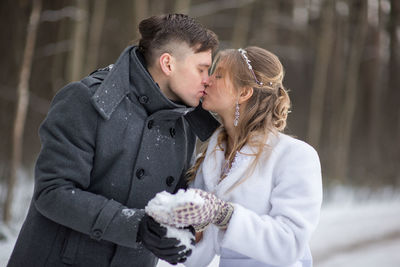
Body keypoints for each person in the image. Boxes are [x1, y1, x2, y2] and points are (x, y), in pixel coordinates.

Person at [7, 14, 219, 267]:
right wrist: (135, 225)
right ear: (168, 64)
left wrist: (178, 231)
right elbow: (53, 192)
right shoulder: (85, 100)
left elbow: (175, 202)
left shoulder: (186, 121)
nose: (208, 79)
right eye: (202, 69)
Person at [149, 46, 323, 267]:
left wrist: (224, 215)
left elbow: (288, 244)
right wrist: (174, 228)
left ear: (244, 93)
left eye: (218, 74)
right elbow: (200, 254)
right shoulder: (213, 158)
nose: (207, 80)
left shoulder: (296, 156)